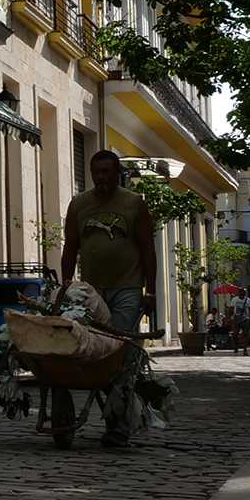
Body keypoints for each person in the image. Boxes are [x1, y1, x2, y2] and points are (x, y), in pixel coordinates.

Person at [60, 149, 159, 448]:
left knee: (120, 352)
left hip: (127, 289)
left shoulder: (134, 204)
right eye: (97, 172)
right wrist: (66, 286)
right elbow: (70, 248)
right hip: (92, 292)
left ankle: (118, 425)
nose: (101, 178)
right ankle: (91, 413)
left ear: (118, 174)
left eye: (107, 172)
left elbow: (147, 250)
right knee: (89, 350)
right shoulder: (79, 205)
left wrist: (150, 290)